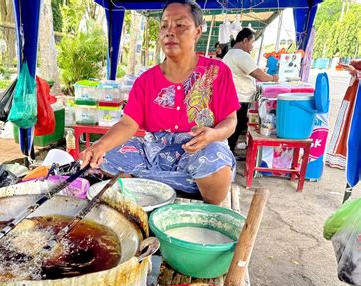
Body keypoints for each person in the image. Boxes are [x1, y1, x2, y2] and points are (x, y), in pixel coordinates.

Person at [81, 0, 240, 205]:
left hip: (199, 148)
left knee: (215, 162)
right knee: (108, 155)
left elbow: (230, 120)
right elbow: (128, 124)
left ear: (197, 32)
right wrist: (100, 146)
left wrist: (214, 134)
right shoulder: (146, 80)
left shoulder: (217, 72)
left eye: (180, 25)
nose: (170, 32)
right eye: (164, 26)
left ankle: (201, 205)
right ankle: (143, 197)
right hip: (153, 153)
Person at [223, 28, 278, 153]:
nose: (252, 46)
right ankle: (228, 154)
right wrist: (274, 78)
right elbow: (260, 75)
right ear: (245, 40)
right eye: (252, 42)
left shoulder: (231, 54)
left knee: (234, 128)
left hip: (234, 97)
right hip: (239, 99)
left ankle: (228, 152)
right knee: (235, 128)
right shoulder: (240, 55)